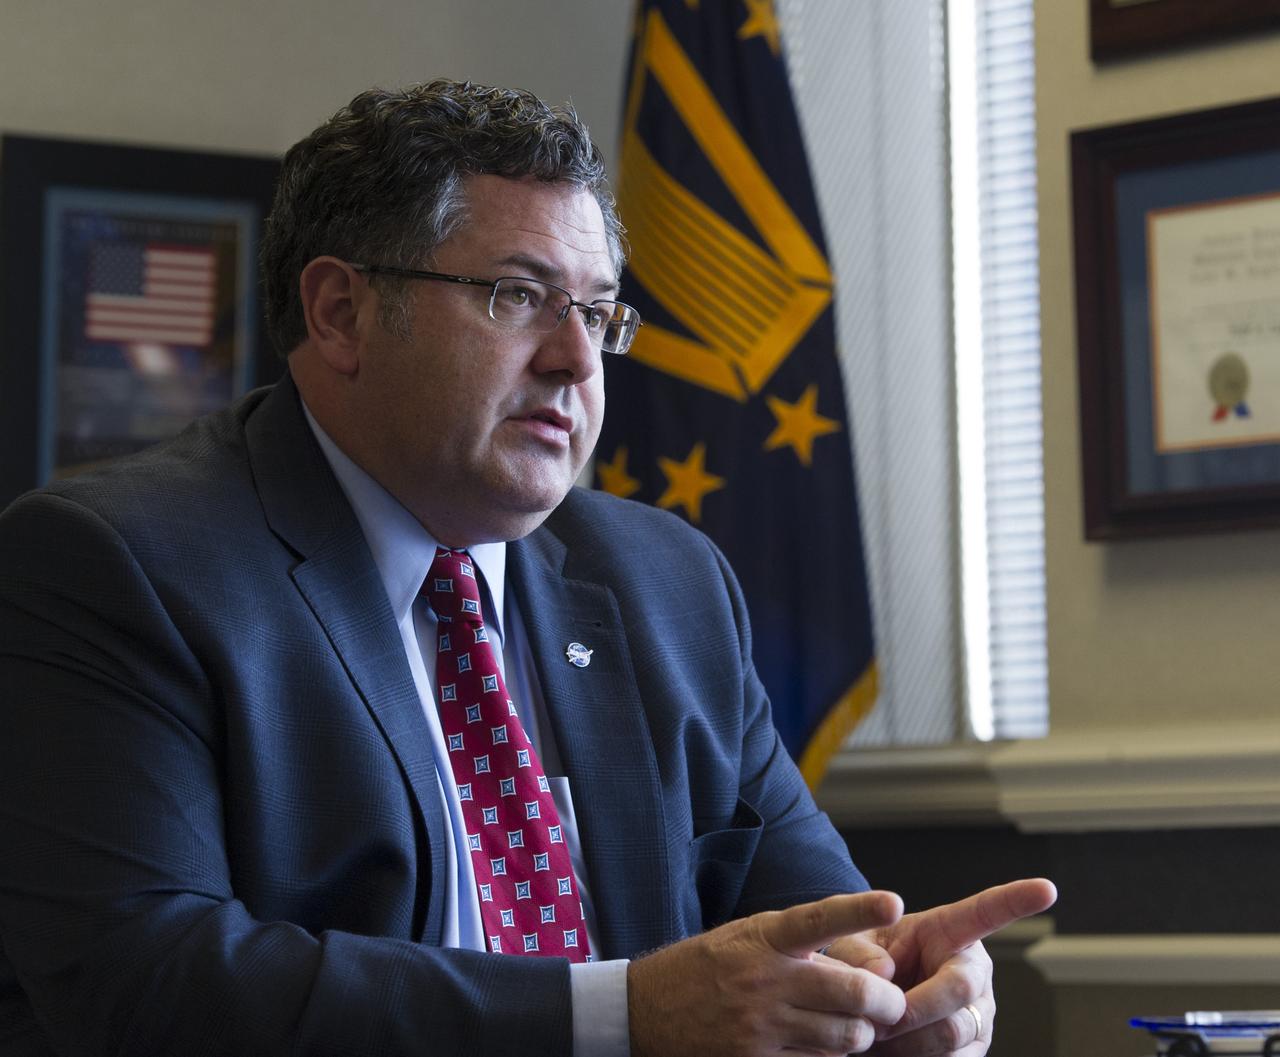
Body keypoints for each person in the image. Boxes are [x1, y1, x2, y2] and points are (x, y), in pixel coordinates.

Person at [0, 79, 1055, 1057]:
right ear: (339, 313)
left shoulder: (667, 580)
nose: (576, 360)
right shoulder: (115, 563)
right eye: (516, 296)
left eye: (595, 312)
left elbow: (816, 930)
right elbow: (143, 980)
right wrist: (616, 1014)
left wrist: (894, 994)